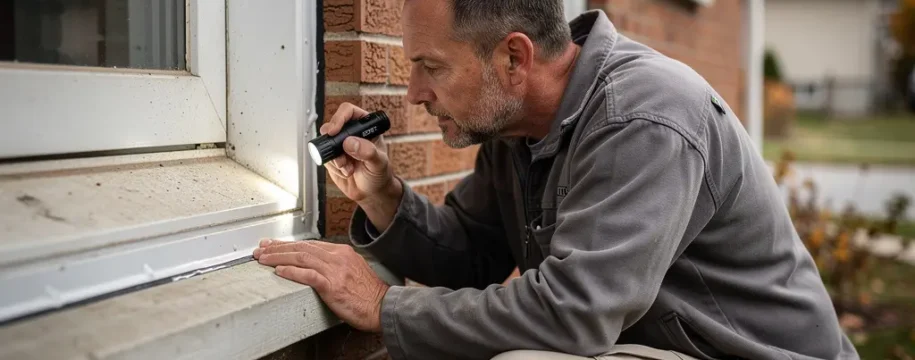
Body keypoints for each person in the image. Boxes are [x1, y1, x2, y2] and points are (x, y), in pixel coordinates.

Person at [253, 1, 859, 359]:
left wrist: (387, 309)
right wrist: (384, 197)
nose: (414, 95)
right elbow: (471, 254)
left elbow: (574, 315)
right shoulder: (521, 127)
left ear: (514, 59)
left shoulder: (643, 118)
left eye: (430, 67)